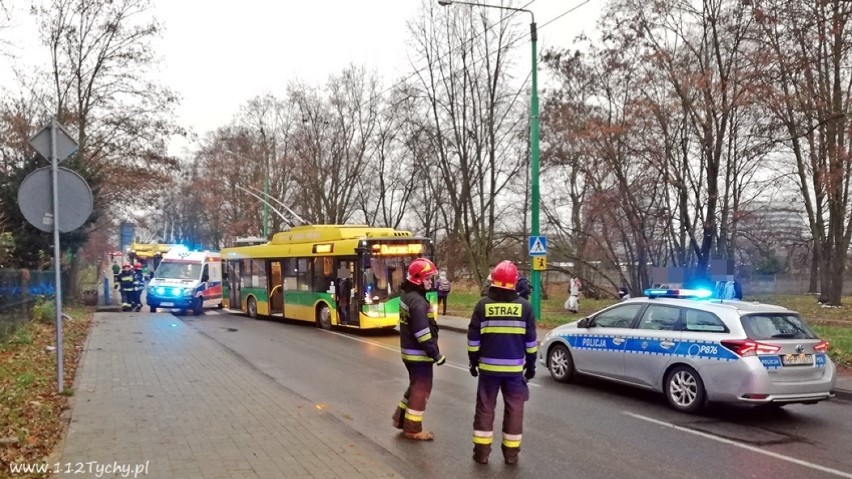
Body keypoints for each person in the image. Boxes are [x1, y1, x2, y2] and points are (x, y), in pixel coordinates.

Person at [467, 260, 537, 465]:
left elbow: (473, 340)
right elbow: (531, 343)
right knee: (515, 409)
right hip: (514, 370)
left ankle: (481, 454)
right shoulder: (525, 307)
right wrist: (531, 366)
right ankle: (511, 455)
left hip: (488, 370)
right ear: (515, 282)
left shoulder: (482, 305)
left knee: (485, 409)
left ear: (494, 281)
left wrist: (473, 362)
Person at [392, 258, 446, 441]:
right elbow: (423, 333)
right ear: (418, 279)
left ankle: (400, 419)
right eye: (428, 278)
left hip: (409, 352)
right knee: (421, 389)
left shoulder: (407, 297)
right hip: (419, 355)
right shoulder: (418, 302)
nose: (430, 282)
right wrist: (435, 354)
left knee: (414, 386)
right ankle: (413, 429)